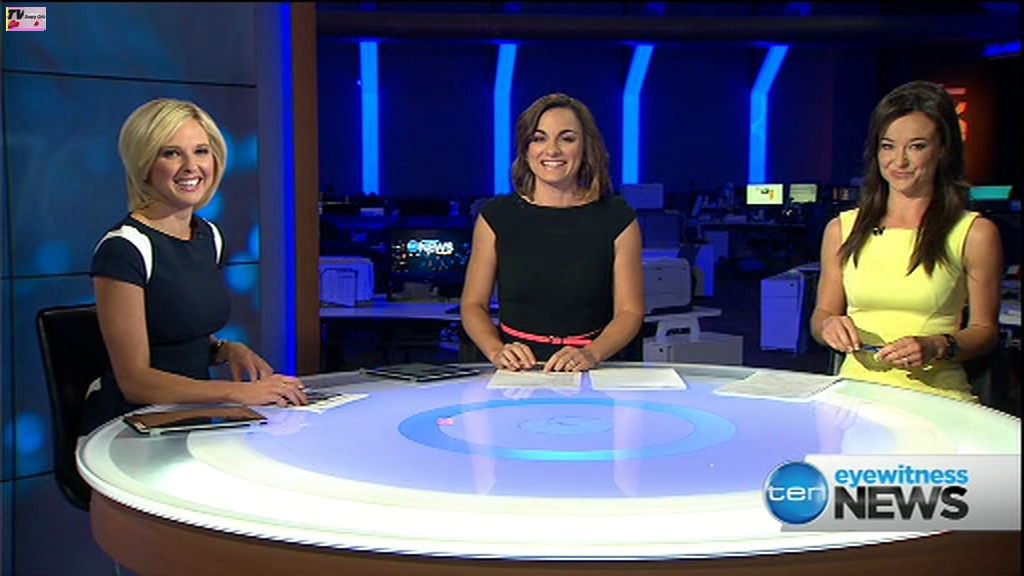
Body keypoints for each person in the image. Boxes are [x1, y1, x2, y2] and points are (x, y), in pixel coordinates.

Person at [84, 98, 307, 434]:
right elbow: (135, 381)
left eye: (201, 151)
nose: (191, 166)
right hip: (130, 428)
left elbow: (179, 330)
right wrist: (236, 392)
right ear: (144, 163)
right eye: (171, 153)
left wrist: (226, 350)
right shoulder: (124, 248)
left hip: (194, 416)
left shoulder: (209, 236)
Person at [811, 80, 1003, 402]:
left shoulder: (975, 233)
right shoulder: (841, 229)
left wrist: (939, 345)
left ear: (942, 150)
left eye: (916, 146)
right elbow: (821, 316)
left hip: (935, 399)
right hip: (853, 399)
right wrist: (828, 326)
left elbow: (985, 332)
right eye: (888, 146)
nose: (899, 162)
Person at [460, 93, 644, 372]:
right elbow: (473, 305)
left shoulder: (618, 218)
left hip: (592, 368)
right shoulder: (496, 217)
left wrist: (591, 354)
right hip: (517, 370)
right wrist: (497, 351)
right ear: (526, 148)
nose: (552, 150)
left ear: (586, 147)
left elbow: (630, 312)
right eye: (539, 138)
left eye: (566, 139)